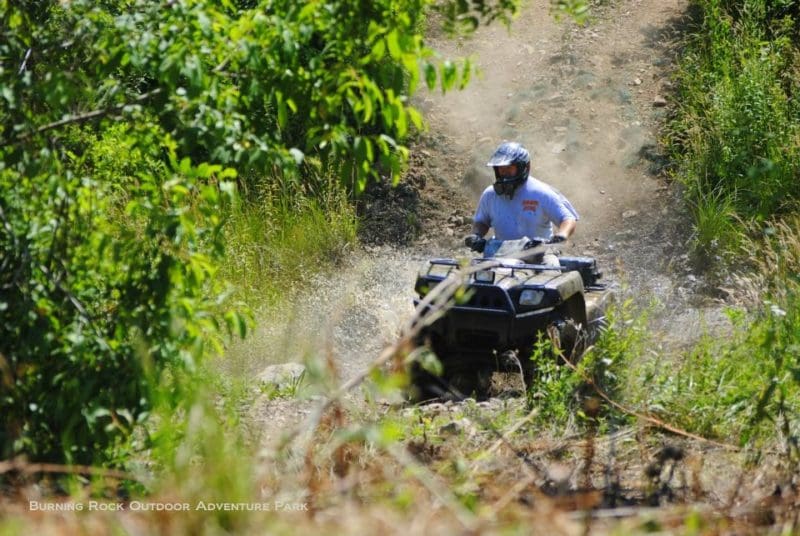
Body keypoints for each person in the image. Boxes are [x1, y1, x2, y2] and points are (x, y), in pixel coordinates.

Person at [464, 142, 579, 259]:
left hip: (539, 255)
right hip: (500, 254)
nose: (504, 173)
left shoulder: (541, 193)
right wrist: (476, 235)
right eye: (501, 169)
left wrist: (561, 235)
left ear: (524, 167)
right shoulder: (490, 194)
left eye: (509, 168)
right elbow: (482, 221)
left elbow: (568, 219)